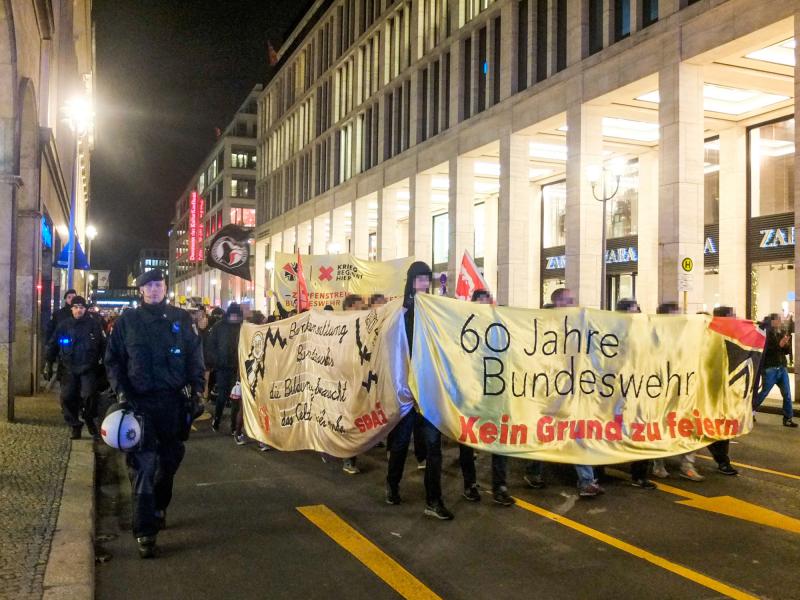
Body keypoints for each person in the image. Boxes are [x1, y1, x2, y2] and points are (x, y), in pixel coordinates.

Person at [104, 269, 205, 559]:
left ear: (165, 288)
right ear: (141, 291)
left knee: (170, 460)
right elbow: (113, 361)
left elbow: (194, 357)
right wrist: (121, 392)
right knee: (143, 466)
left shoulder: (181, 319)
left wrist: (197, 391)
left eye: (158, 285)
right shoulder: (127, 322)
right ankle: (145, 532)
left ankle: (159, 506)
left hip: (174, 404)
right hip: (140, 405)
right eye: (148, 286)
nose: (153, 290)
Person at [386, 261, 454, 520]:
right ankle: (392, 485)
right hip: (406, 389)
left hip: (429, 389)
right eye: (420, 279)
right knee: (402, 443)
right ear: (411, 281)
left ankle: (433, 500)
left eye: (427, 279)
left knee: (433, 447)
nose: (424, 283)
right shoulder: (401, 312)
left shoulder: (436, 311)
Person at [524, 287, 604, 497]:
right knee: (545, 433)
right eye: (568, 301)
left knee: (578, 433)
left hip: (573, 391)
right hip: (551, 392)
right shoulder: (545, 326)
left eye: (573, 300)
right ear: (558, 303)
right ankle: (533, 471)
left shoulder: (578, 326)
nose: (572, 304)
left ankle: (586, 481)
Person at [459, 290, 515, 506]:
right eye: (480, 303)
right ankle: (470, 484)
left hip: (496, 395)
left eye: (488, 302)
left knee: (499, 441)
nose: (485, 306)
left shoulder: (501, 327)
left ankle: (500, 486)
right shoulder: (465, 329)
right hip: (472, 396)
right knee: (468, 441)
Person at [650, 302, 704, 481]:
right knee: (661, 427)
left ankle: (688, 464)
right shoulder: (653, 335)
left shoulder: (686, 336)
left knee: (690, 425)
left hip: (684, 388)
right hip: (660, 390)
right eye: (676, 315)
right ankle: (658, 463)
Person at [45, 295, 106, 439]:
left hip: (88, 368)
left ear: (85, 309)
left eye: (81, 307)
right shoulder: (64, 326)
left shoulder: (94, 325)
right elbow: (53, 345)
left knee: (89, 395)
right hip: (68, 368)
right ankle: (75, 425)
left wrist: (106, 364)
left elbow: (104, 346)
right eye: (76, 307)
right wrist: (48, 363)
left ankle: (89, 418)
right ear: (72, 309)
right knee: (67, 397)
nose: (79, 310)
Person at [705, 306, 740, 475]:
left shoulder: (732, 336)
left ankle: (722, 460)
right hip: (707, 388)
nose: (736, 317)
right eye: (733, 315)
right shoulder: (708, 334)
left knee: (722, 426)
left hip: (723, 389)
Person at [753, 312, 797, 428]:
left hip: (781, 367)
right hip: (770, 368)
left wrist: (786, 345)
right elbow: (766, 351)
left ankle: (788, 418)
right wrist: (780, 345)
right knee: (763, 393)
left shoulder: (781, 332)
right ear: (772, 321)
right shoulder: (766, 334)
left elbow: (785, 351)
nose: (780, 322)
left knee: (787, 394)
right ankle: (750, 411)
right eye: (777, 320)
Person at [207, 303, 244, 436]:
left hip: (236, 368)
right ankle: (217, 420)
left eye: (236, 315)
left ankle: (234, 426)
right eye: (232, 315)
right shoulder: (219, 327)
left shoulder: (242, 327)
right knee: (222, 396)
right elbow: (211, 346)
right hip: (222, 367)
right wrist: (216, 361)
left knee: (235, 398)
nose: (234, 318)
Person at [342, 294, 364, 474]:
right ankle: (348, 457)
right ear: (349, 306)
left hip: (358, 377)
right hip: (342, 379)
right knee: (348, 418)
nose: (362, 309)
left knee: (355, 417)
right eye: (359, 306)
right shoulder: (339, 324)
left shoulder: (361, 324)